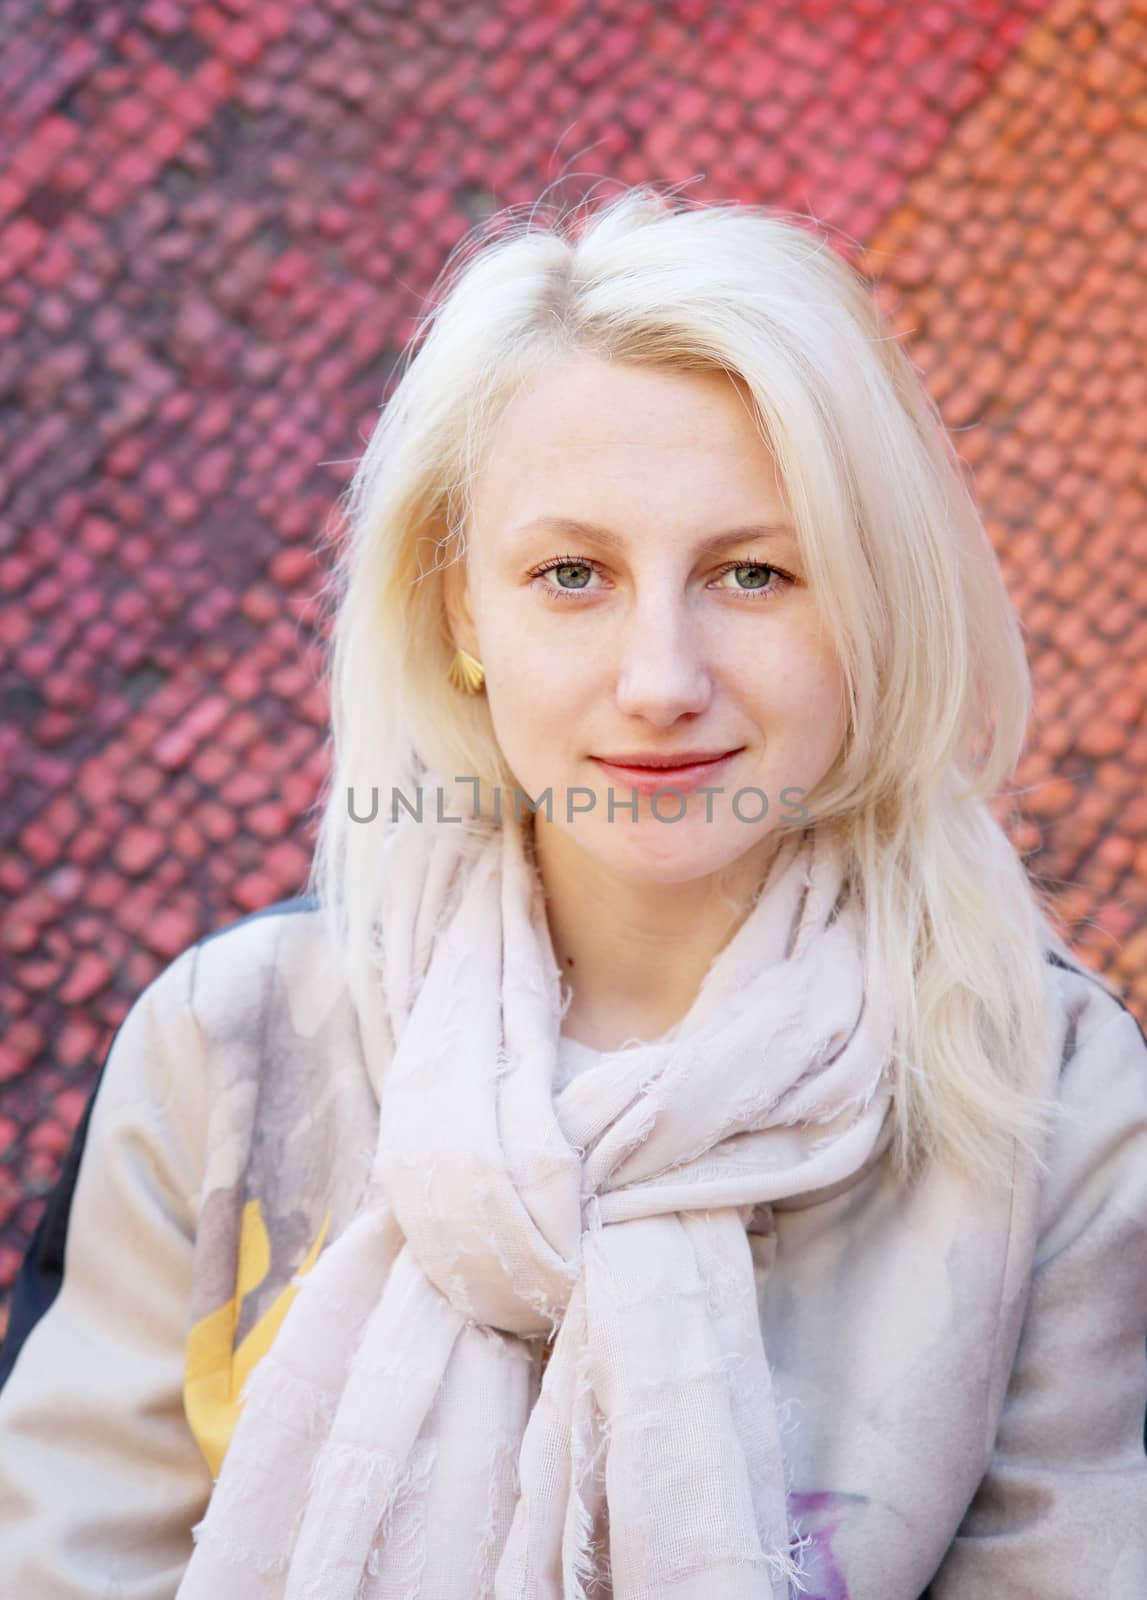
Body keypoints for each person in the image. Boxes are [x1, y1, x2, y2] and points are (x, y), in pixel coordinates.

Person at [0, 186, 1144, 1600]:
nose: (661, 680)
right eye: (571, 575)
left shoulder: (1052, 1095)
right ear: (459, 609)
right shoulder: (229, 1049)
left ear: (874, 602)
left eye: (753, 572)